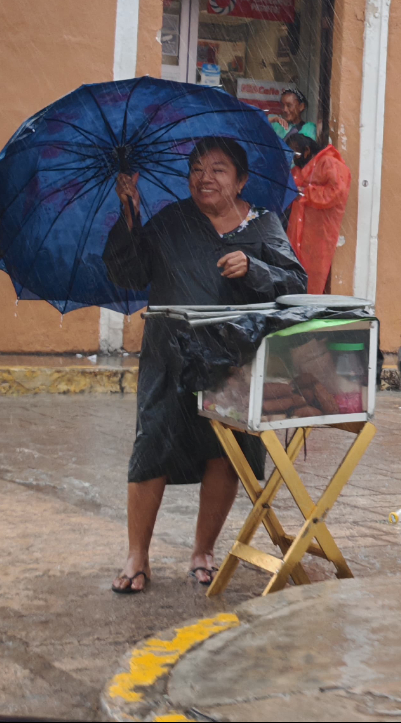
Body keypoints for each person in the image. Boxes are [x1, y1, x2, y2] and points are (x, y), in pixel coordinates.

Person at [103, 136, 307, 594]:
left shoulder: (264, 225)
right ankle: (138, 556)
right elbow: (129, 274)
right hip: (169, 356)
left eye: (218, 169)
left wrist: (254, 268)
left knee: (225, 452)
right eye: (196, 168)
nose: (204, 177)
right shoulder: (172, 221)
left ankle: (203, 551)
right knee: (152, 444)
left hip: (233, 361)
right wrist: (130, 213)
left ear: (242, 180)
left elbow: (296, 283)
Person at [285, 132, 352, 294]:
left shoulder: (329, 164)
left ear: (307, 151)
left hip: (319, 234)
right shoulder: (300, 170)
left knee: (313, 281)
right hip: (298, 234)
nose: (294, 158)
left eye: (295, 154)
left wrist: (306, 193)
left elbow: (336, 192)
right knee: (294, 276)